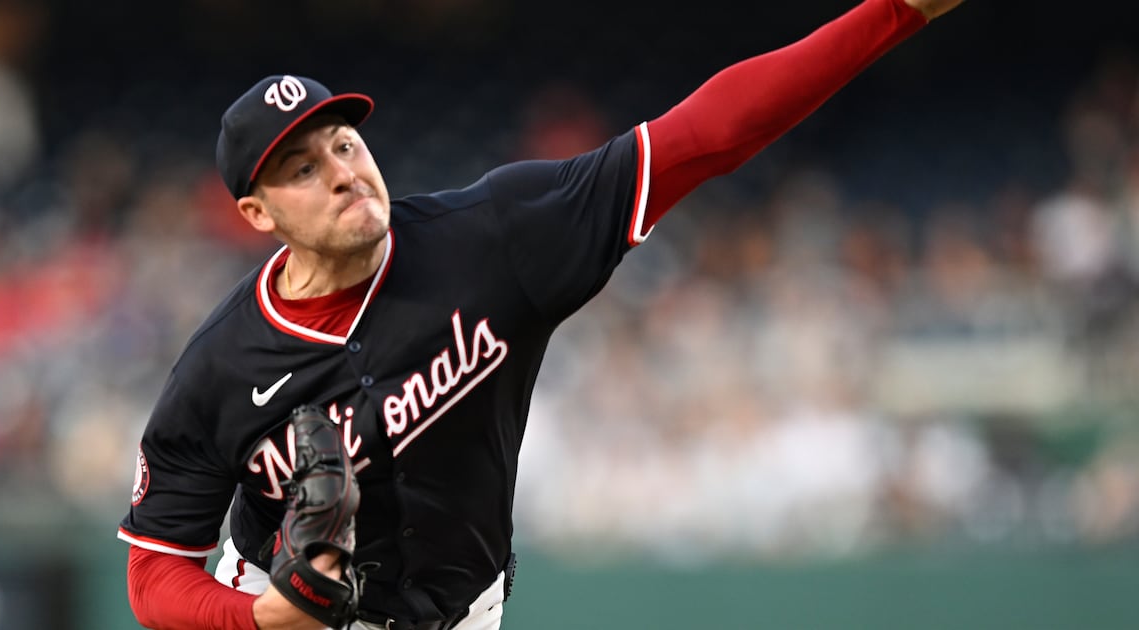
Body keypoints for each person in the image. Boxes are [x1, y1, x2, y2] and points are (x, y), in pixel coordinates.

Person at [118, 0, 966, 628]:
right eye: (302, 169)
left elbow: (704, 135)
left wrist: (893, 11)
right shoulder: (220, 369)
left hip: (463, 613)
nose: (342, 171)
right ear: (256, 214)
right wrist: (259, 618)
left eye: (344, 143)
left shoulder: (495, 238)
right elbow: (155, 573)